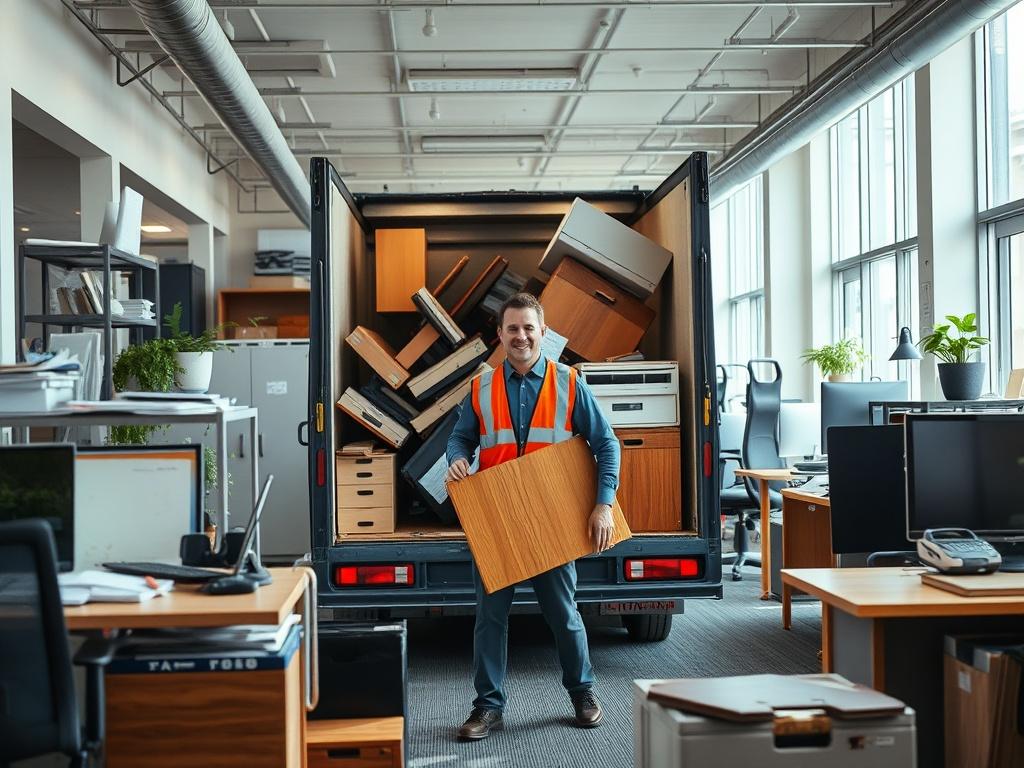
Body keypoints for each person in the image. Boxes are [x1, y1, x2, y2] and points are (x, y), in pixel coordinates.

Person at [445, 292, 621, 741]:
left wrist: (603, 504)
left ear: (543, 332)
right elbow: (460, 439)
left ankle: (583, 693)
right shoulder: (480, 387)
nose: (520, 336)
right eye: (512, 328)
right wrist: (458, 458)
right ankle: (487, 708)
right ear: (499, 335)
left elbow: (607, 444)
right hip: (498, 519)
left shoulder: (569, 381)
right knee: (490, 619)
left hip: (552, 519)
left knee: (564, 615)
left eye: (528, 327)